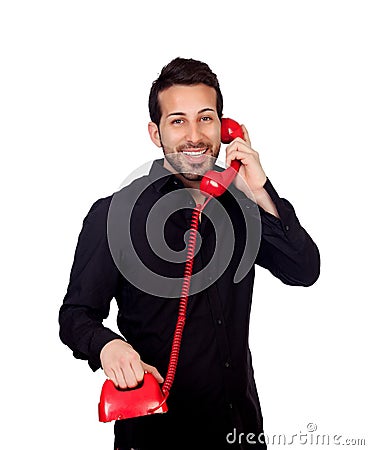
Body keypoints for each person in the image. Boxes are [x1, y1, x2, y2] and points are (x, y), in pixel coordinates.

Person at [59, 57, 320, 450]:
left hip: (241, 430)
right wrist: (107, 346)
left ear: (224, 127)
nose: (195, 135)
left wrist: (261, 188)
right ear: (155, 132)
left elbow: (304, 269)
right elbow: (75, 316)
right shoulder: (115, 214)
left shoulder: (241, 207)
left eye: (206, 118)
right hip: (157, 434)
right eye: (178, 120)